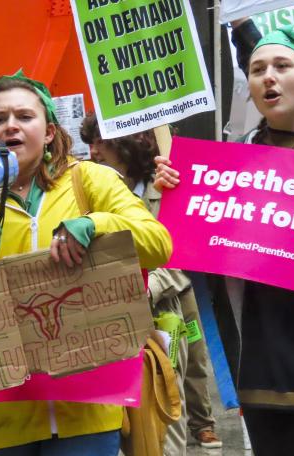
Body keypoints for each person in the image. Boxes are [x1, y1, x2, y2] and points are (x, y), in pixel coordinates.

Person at [155, 27, 294, 456]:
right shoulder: (226, 168)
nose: (267, 77)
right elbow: (200, 252)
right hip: (263, 355)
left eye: (281, 66)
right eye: (257, 70)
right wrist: (179, 198)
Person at [0, 70, 172, 455]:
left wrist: (96, 223)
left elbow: (158, 245)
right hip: (8, 414)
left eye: (24, 117)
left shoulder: (91, 180)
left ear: (49, 132)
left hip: (88, 408)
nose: (10, 126)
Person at [79, 114, 222, 452]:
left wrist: (146, 287)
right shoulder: (92, 190)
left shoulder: (167, 186)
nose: (94, 150)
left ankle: (203, 425)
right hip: (110, 323)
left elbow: (182, 257)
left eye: (100, 140)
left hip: (166, 315)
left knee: (166, 406)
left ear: (126, 141)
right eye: (90, 142)